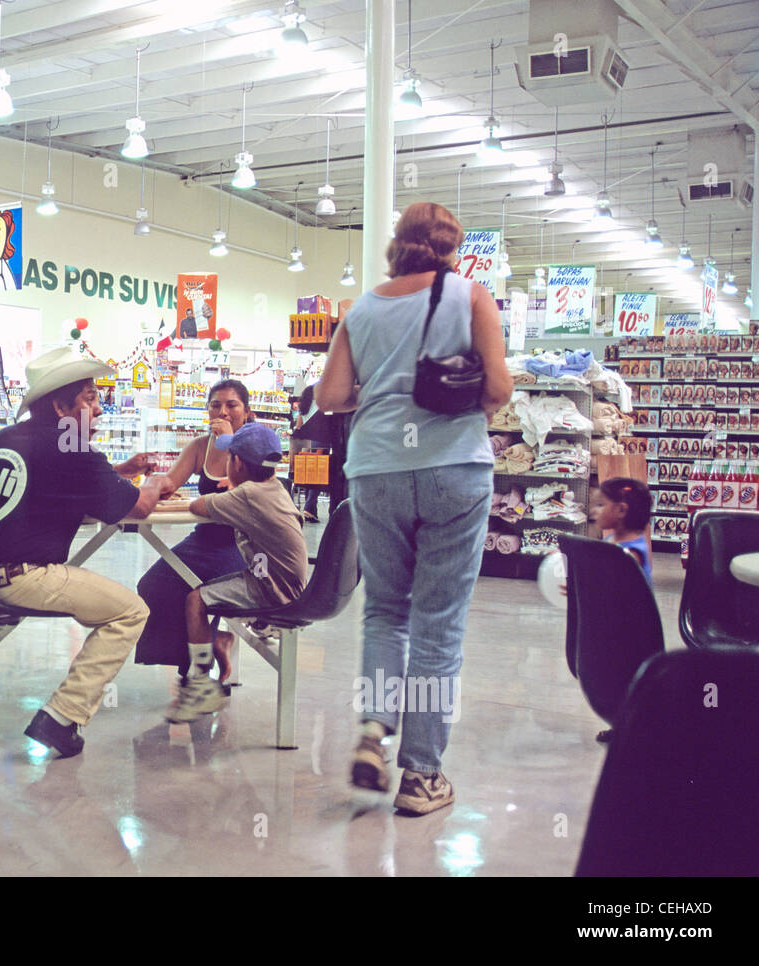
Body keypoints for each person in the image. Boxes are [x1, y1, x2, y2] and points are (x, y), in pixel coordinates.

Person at [317, 201, 512, 815]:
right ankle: (422, 776)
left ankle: (375, 729)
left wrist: (385, 392)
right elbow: (501, 389)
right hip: (454, 467)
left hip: (375, 471)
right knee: (438, 623)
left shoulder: (362, 308)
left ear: (395, 246)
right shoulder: (471, 297)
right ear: (451, 249)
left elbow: (330, 397)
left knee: (385, 612)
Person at [0, 346, 174, 758]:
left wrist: (119, 472)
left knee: (10, 590)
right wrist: (158, 483)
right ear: (62, 405)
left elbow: (55, 482)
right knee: (131, 611)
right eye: (90, 399)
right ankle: (62, 716)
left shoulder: (10, 436)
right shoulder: (74, 448)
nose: (99, 410)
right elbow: (138, 509)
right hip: (22, 578)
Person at [172, 423, 308, 721]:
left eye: (229, 458)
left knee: (195, 598)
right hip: (290, 583)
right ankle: (218, 644)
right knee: (208, 586)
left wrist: (232, 491)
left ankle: (200, 683)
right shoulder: (274, 487)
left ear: (238, 464)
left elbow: (197, 505)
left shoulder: (246, 496)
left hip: (272, 589)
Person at [134, 379, 252, 678]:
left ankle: (201, 667)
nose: (223, 412)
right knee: (154, 584)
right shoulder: (201, 445)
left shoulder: (254, 445)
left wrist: (229, 442)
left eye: (231, 405)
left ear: (247, 411)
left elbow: (251, 490)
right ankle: (214, 642)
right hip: (204, 538)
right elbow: (172, 480)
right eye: (215, 405)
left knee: (194, 592)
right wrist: (152, 484)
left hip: (241, 545)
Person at [591, 477, 654, 585]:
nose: (593, 510)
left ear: (621, 510)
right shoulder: (613, 538)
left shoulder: (630, 554)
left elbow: (615, 593)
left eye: (601, 505)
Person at [291, 385, 329, 522]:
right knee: (318, 476)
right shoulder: (320, 405)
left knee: (309, 476)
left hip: (305, 443)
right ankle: (308, 507)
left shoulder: (304, 407)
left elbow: (299, 426)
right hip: (319, 440)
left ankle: (311, 510)